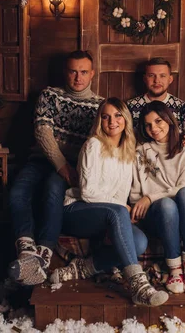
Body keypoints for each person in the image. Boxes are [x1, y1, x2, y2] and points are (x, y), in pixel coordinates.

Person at [49, 98, 169, 307]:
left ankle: (83, 268)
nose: (112, 121)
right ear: (99, 121)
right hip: (76, 210)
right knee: (117, 213)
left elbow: (123, 195)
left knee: (140, 242)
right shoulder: (93, 145)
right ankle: (138, 286)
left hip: (106, 214)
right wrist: (120, 209)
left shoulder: (129, 151)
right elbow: (87, 192)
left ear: (126, 119)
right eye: (105, 117)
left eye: (117, 115)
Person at [8, 50, 103, 286]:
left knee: (53, 191)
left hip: (76, 166)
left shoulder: (100, 105)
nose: (77, 77)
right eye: (73, 71)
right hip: (43, 160)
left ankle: (44, 254)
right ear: (65, 72)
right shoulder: (50, 95)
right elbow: (43, 133)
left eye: (83, 72)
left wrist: (73, 170)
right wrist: (62, 166)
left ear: (92, 74)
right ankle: (27, 249)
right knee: (18, 191)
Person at [130, 101, 185, 295]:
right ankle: (174, 269)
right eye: (148, 125)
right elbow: (134, 193)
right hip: (158, 216)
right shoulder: (141, 152)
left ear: (169, 119)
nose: (154, 128)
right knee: (166, 205)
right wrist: (143, 202)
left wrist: (150, 196)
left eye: (158, 121)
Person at [126, 57, 185, 152]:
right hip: (141, 159)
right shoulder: (129, 107)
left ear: (170, 79)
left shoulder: (183, 108)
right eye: (151, 75)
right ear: (145, 79)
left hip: (173, 160)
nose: (157, 80)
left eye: (162, 76)